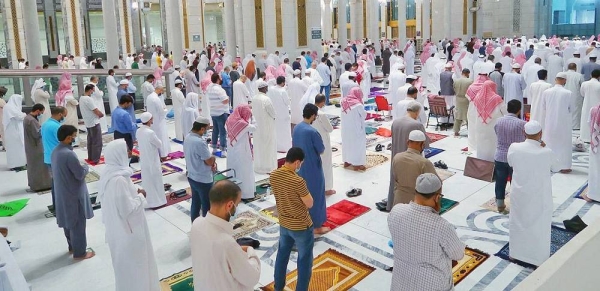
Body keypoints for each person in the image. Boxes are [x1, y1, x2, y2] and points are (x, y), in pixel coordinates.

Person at [98, 140, 159, 291]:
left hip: (122, 231)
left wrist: (136, 190)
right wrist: (141, 196)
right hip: (129, 234)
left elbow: (127, 191)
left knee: (130, 270)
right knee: (137, 270)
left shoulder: (111, 173)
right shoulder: (118, 180)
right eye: (125, 150)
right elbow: (127, 209)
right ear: (117, 154)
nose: (129, 152)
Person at [388, 173, 465, 290]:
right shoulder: (441, 226)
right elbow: (458, 254)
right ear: (437, 197)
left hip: (400, 283)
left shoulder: (396, 211)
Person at [191, 181, 261, 291]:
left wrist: (236, 251)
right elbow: (251, 278)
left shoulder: (197, 224)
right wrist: (251, 252)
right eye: (237, 204)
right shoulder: (225, 242)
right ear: (229, 205)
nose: (237, 208)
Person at [508, 120, 558, 266]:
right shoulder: (545, 152)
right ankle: (537, 259)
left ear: (524, 133)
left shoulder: (514, 147)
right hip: (539, 196)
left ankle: (516, 253)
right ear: (540, 134)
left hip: (520, 194)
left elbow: (510, 162)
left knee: (518, 222)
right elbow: (557, 166)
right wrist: (545, 146)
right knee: (539, 225)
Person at [271, 148, 314, 291]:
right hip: (301, 225)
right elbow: (310, 203)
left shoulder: (274, 175)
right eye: (300, 163)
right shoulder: (298, 181)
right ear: (296, 162)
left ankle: (278, 286)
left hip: (284, 223)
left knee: (282, 255)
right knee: (304, 260)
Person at [52, 125, 95, 260]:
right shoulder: (69, 154)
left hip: (62, 192)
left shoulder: (56, 151)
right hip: (74, 194)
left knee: (68, 221)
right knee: (77, 223)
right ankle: (80, 252)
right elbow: (79, 174)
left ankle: (72, 246)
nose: (75, 139)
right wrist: (86, 167)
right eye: (74, 137)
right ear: (68, 137)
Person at [385, 101, 429, 212]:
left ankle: (392, 205)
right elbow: (425, 143)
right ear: (417, 112)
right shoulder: (416, 124)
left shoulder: (396, 122)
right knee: (411, 184)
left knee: (396, 182)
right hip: (411, 158)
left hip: (396, 156)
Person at [293, 103, 328, 235]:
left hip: (299, 167)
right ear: (313, 115)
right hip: (313, 167)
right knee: (316, 195)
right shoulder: (312, 131)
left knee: (302, 195)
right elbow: (321, 149)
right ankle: (317, 226)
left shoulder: (297, 128)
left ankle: (305, 221)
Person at [493, 100, 526, 213]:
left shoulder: (498, 121)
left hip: (500, 156)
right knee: (515, 183)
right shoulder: (522, 124)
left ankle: (500, 205)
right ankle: (516, 205)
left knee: (500, 181)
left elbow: (497, 133)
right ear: (519, 110)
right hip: (515, 158)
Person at [391, 130, 437, 206]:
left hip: (398, 200)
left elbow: (395, 177)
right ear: (422, 144)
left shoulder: (397, 157)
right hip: (416, 202)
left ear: (407, 142)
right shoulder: (424, 162)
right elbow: (435, 184)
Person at [185, 116, 217, 221]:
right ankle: (207, 230)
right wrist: (214, 157)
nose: (206, 131)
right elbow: (209, 161)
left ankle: (195, 226)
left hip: (192, 176)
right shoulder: (199, 142)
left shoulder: (188, 137)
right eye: (207, 129)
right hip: (203, 179)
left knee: (195, 203)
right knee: (207, 205)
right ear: (202, 129)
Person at [542, 72, 573, 173]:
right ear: (564, 80)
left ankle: (549, 165)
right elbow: (571, 109)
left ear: (556, 79)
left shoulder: (547, 92)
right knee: (563, 145)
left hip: (550, 122)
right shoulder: (568, 93)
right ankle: (564, 166)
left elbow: (544, 107)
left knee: (550, 143)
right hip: (563, 123)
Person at [225, 105, 256, 200]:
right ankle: (245, 194)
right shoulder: (243, 124)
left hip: (232, 151)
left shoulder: (229, 119)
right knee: (244, 172)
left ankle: (232, 192)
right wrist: (253, 118)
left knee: (233, 170)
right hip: (243, 152)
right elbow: (254, 128)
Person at [136, 112, 166, 208]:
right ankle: (158, 201)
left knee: (148, 180)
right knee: (156, 180)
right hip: (152, 159)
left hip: (144, 159)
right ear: (149, 120)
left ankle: (150, 201)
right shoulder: (150, 132)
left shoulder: (139, 131)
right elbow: (159, 144)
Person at [473, 80, 508, 162]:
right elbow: (505, 111)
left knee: (481, 144)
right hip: (493, 126)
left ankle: (481, 160)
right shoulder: (496, 98)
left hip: (480, 125)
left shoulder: (477, 97)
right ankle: (492, 162)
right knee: (493, 144)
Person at [42, 106, 66, 207]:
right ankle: (60, 206)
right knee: (60, 184)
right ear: (60, 114)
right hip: (57, 158)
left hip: (48, 157)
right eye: (64, 115)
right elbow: (63, 142)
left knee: (55, 183)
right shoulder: (56, 127)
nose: (64, 118)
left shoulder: (45, 124)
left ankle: (56, 205)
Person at [24, 104, 52, 191]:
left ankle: (35, 184)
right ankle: (41, 185)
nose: (41, 114)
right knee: (39, 166)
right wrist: (43, 128)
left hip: (31, 145)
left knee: (33, 166)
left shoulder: (27, 118)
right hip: (36, 147)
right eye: (41, 112)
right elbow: (37, 134)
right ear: (37, 111)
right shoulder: (32, 121)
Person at [252, 81, 278, 174]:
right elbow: (272, 112)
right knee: (268, 146)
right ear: (263, 88)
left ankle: (260, 166)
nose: (267, 89)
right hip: (267, 126)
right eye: (266, 87)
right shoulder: (266, 99)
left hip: (257, 127)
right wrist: (275, 116)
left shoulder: (254, 98)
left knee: (259, 146)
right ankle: (268, 167)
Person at [312, 94, 335, 195]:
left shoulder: (309, 111)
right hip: (322, 141)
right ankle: (327, 188)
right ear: (322, 102)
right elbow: (329, 128)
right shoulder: (320, 114)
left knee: (315, 165)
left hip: (312, 141)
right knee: (325, 163)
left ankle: (316, 186)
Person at [341, 87, 366, 171]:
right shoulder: (358, 105)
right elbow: (364, 115)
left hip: (345, 128)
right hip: (356, 129)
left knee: (347, 144)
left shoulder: (342, 101)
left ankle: (346, 161)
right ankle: (357, 164)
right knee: (357, 145)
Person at [78, 84, 104, 164]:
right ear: (90, 90)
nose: (93, 92)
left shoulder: (81, 98)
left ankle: (91, 157)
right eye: (93, 90)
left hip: (88, 122)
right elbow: (95, 110)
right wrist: (101, 114)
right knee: (97, 141)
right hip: (94, 122)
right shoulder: (88, 99)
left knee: (90, 140)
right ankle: (96, 159)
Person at [206, 73, 230, 156]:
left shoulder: (210, 88)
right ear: (217, 79)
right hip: (221, 112)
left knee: (215, 131)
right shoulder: (219, 89)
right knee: (223, 132)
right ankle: (223, 150)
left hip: (213, 112)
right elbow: (225, 101)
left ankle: (214, 149)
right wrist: (228, 98)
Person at [146, 84, 171, 158]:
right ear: (159, 90)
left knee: (155, 135)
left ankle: (158, 152)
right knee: (161, 136)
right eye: (162, 91)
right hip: (159, 120)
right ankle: (163, 154)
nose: (162, 93)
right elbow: (161, 111)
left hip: (152, 119)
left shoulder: (149, 96)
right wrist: (165, 110)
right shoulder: (156, 99)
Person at [3, 94, 27, 170]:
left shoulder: (11, 107)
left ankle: (20, 163)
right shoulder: (9, 107)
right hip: (13, 131)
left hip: (15, 130)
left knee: (19, 148)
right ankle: (16, 165)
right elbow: (19, 116)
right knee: (16, 148)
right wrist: (24, 114)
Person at [582, 104, 600, 202]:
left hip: (597, 144)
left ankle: (594, 194)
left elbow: (590, 124)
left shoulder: (593, 109)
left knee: (595, 170)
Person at [580, 69, 600, 142]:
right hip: (597, 107)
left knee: (585, 120)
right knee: (596, 121)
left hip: (586, 104)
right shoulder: (599, 85)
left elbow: (582, 94)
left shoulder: (584, 84)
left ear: (591, 75)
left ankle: (585, 137)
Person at [564, 63, 585, 130]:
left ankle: (566, 125)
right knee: (576, 111)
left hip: (565, 95)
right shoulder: (579, 75)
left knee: (566, 110)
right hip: (576, 95)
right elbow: (583, 85)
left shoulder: (564, 74)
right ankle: (575, 127)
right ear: (575, 68)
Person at [453, 69, 473, 136]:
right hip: (466, 100)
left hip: (458, 99)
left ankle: (456, 131)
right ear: (468, 73)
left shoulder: (456, 81)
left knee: (458, 116)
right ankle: (470, 132)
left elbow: (454, 89)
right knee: (468, 116)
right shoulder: (470, 81)